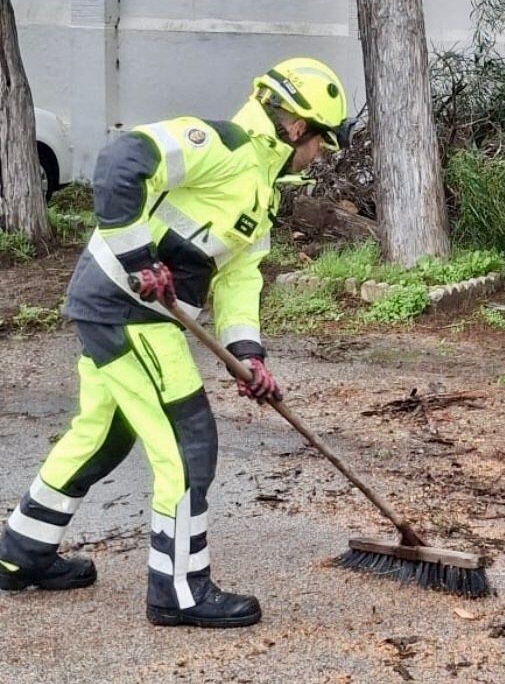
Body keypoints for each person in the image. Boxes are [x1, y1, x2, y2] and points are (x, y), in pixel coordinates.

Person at [0, 57, 350, 628]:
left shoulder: (261, 191)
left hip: (131, 312)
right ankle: (180, 592)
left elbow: (239, 279)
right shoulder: (220, 145)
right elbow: (122, 162)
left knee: (103, 435)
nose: (319, 156)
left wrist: (248, 355)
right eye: (321, 143)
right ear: (296, 128)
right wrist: (139, 258)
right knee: (189, 444)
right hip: (126, 309)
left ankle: (21, 553)